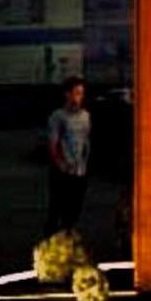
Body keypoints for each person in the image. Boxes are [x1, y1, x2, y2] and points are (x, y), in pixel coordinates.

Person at [45, 75, 91, 235]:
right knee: (56, 209)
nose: (79, 97)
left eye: (81, 94)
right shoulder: (58, 116)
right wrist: (60, 164)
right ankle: (52, 239)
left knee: (74, 209)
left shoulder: (86, 116)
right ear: (68, 94)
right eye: (76, 93)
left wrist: (85, 164)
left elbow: (86, 140)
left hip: (80, 171)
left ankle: (68, 235)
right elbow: (53, 143)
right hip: (62, 172)